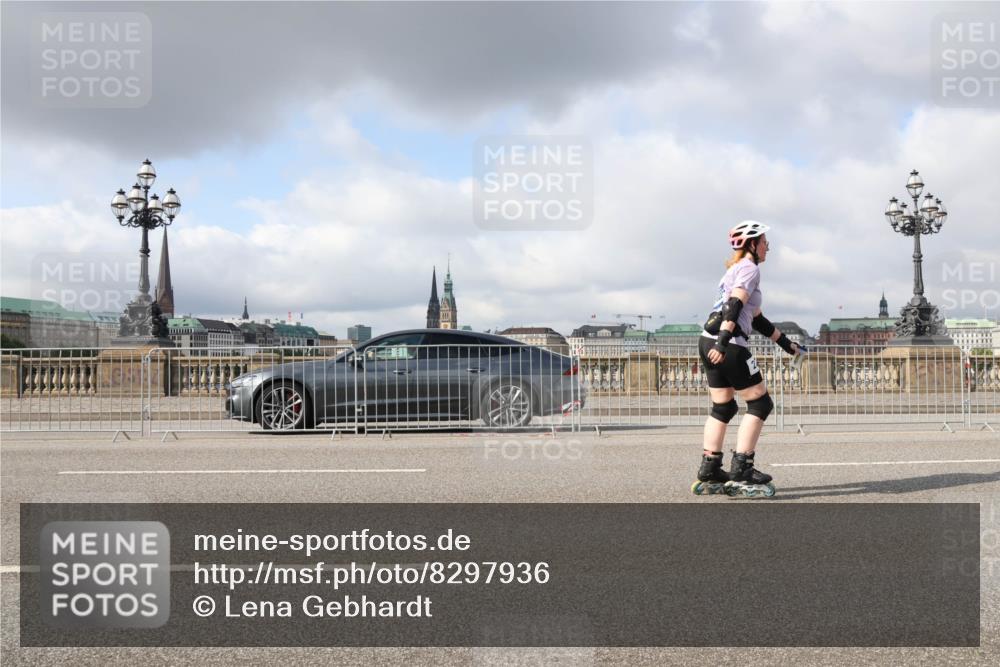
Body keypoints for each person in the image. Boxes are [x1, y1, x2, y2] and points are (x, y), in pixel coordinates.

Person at [694, 221, 805, 495]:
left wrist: (787, 344)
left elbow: (757, 318)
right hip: (727, 342)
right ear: (752, 244)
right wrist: (723, 343)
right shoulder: (749, 268)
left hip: (707, 339)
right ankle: (742, 469)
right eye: (765, 241)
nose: (769, 246)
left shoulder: (733, 270)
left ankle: (710, 468)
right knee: (760, 403)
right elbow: (735, 304)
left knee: (723, 407)